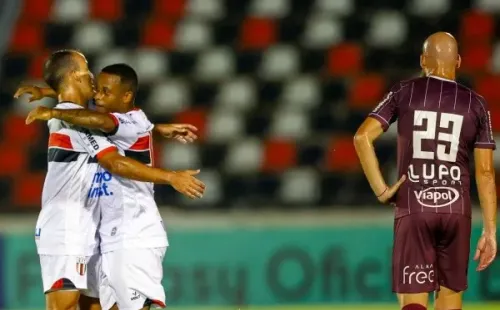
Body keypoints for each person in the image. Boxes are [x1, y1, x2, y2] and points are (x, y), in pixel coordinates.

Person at [20, 50, 205, 310]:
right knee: (64, 307)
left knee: (95, 305)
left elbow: (114, 125)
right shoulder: (76, 119)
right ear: (74, 75)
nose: (94, 83)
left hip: (99, 229)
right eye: (87, 71)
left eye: (105, 90)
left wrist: (154, 130)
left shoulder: (80, 116)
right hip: (67, 226)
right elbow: (114, 161)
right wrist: (170, 176)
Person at [354, 32, 497, 310]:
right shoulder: (476, 104)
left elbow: (361, 138)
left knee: (413, 301)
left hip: (415, 205)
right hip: (456, 209)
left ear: (422, 60)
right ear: (457, 61)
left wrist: (383, 191)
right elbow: (486, 173)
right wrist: (490, 230)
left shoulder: (403, 91)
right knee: (450, 300)